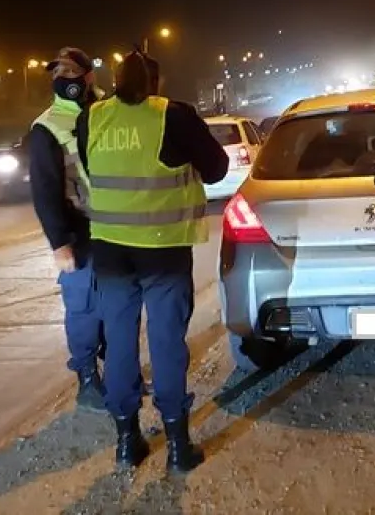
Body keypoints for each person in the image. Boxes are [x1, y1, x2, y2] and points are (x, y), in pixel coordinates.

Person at [75, 51, 229, 472]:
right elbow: (217, 170)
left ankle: (127, 441)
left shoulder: (92, 117)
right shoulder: (173, 116)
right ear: (155, 83)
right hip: (163, 251)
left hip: (109, 251)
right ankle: (179, 446)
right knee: (165, 341)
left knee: (121, 343)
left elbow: (89, 166)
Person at [29, 47, 108, 413]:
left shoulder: (109, 111)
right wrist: (59, 243)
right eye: (58, 72)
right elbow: (45, 190)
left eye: (72, 70)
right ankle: (88, 380)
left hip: (118, 229)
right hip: (80, 232)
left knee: (118, 306)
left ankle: (121, 373)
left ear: (89, 76)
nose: (65, 78)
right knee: (84, 308)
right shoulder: (47, 126)